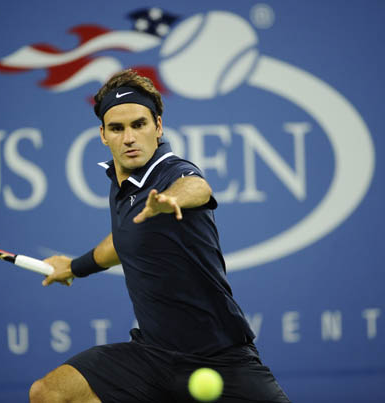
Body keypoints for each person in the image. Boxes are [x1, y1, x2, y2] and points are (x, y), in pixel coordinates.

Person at [29, 70, 290, 402]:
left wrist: (170, 200)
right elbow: (124, 239)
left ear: (158, 126)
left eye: (139, 124)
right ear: (103, 135)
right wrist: (74, 266)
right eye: (117, 128)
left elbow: (197, 187)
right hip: (152, 355)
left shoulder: (172, 171)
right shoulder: (121, 183)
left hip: (221, 357)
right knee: (50, 393)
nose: (129, 138)